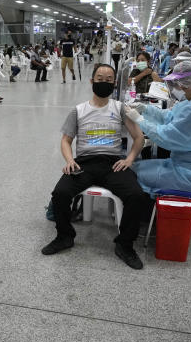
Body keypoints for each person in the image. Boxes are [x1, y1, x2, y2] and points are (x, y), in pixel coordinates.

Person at [42, 63, 149, 270]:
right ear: (92, 81)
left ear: (114, 83)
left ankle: (125, 245)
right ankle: (65, 236)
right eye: (100, 78)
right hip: (84, 163)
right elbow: (66, 140)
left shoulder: (120, 108)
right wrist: (70, 160)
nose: (104, 82)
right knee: (60, 193)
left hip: (112, 163)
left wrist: (129, 160)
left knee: (136, 195)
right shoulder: (79, 110)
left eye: (109, 80)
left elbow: (139, 137)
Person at [127, 61, 191, 196]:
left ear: (187, 84)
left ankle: (148, 214)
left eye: (178, 83)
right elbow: (170, 116)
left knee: (133, 176)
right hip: (184, 164)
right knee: (134, 168)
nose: (177, 87)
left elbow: (166, 137)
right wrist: (145, 109)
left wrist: (139, 120)